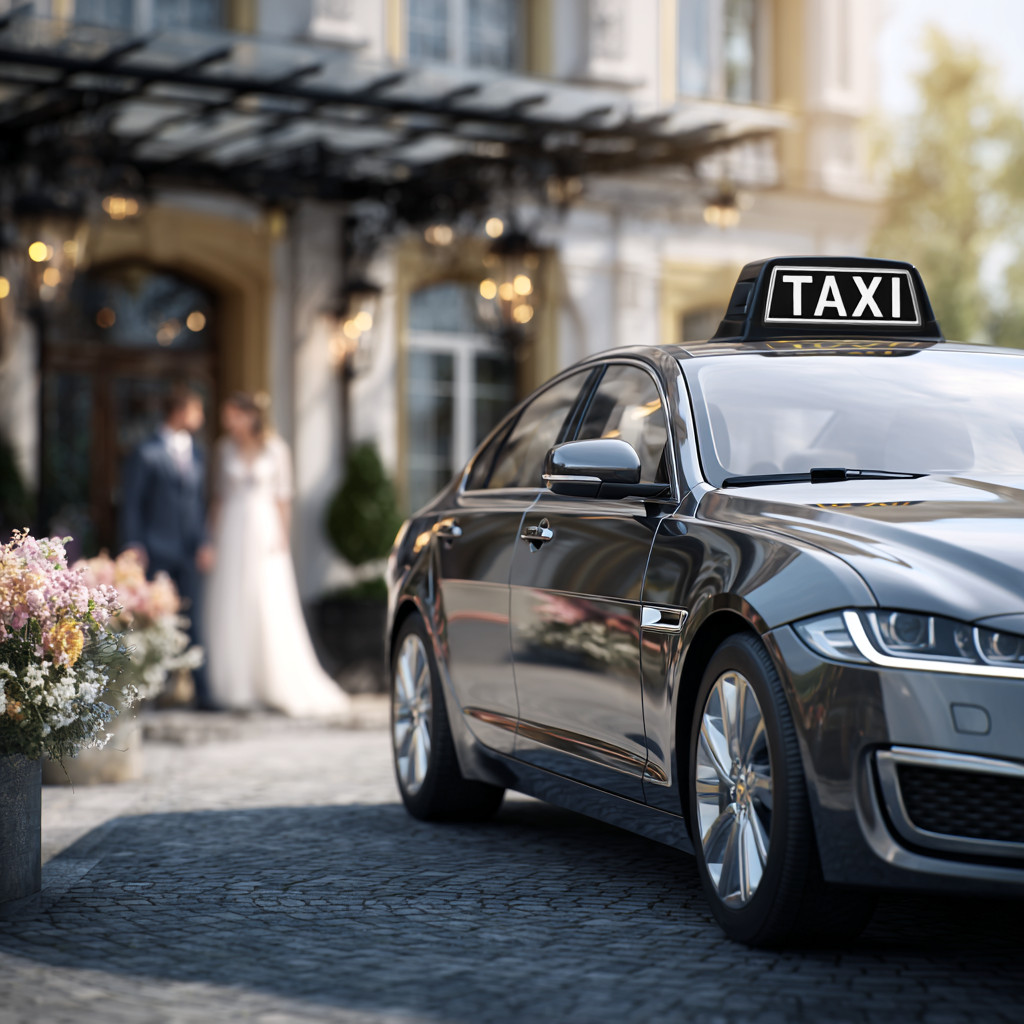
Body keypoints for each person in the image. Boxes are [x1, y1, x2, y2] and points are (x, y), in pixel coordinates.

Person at [204, 392, 350, 716]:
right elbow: (218, 498)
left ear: (250, 415)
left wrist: (282, 537)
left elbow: (284, 497)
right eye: (226, 416)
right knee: (232, 601)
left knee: (266, 601)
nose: (229, 422)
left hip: (263, 530)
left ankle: (272, 681)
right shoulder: (223, 449)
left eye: (234, 415)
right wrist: (210, 540)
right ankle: (235, 685)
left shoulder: (276, 449)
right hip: (231, 531)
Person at [120, 386, 215, 709]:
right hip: (156, 547)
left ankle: (202, 693)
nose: (201, 417)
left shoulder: (198, 452)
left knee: (194, 620)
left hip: (189, 551)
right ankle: (150, 695)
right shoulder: (146, 452)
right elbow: (132, 503)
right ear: (180, 411)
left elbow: (198, 503)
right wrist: (134, 544)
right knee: (155, 620)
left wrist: (204, 541)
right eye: (196, 410)